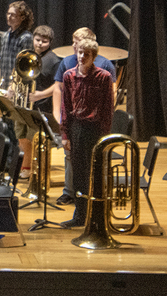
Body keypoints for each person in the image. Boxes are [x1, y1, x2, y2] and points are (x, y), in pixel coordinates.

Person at [49, 27, 118, 206]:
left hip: (94, 127)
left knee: (95, 165)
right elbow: (64, 99)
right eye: (76, 46)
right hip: (76, 125)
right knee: (74, 163)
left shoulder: (105, 70)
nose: (76, 49)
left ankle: (96, 204)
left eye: (78, 43)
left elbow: (108, 103)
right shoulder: (68, 68)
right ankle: (72, 197)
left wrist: (104, 132)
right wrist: (63, 128)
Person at [59, 39, 115, 229]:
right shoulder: (68, 76)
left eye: (87, 54)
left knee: (96, 174)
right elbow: (65, 107)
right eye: (80, 52)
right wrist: (65, 135)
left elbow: (107, 109)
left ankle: (97, 217)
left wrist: (105, 137)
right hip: (76, 128)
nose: (82, 56)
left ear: (94, 57)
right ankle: (80, 215)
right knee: (79, 175)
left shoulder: (104, 77)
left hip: (95, 129)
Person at [20, 25, 62, 178]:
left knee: (36, 140)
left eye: (44, 41)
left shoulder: (54, 60)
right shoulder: (28, 56)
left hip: (42, 106)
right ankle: (27, 167)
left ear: (50, 42)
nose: (40, 44)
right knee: (23, 137)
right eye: (37, 40)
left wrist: (41, 95)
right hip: (25, 104)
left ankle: (38, 171)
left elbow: (58, 85)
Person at [0, 1, 35, 89]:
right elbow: (2, 63)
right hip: (4, 85)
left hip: (18, 87)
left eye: (13, 15)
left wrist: (13, 86)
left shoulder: (26, 37)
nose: (9, 17)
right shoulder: (5, 35)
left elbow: (24, 67)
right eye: (8, 14)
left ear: (22, 17)